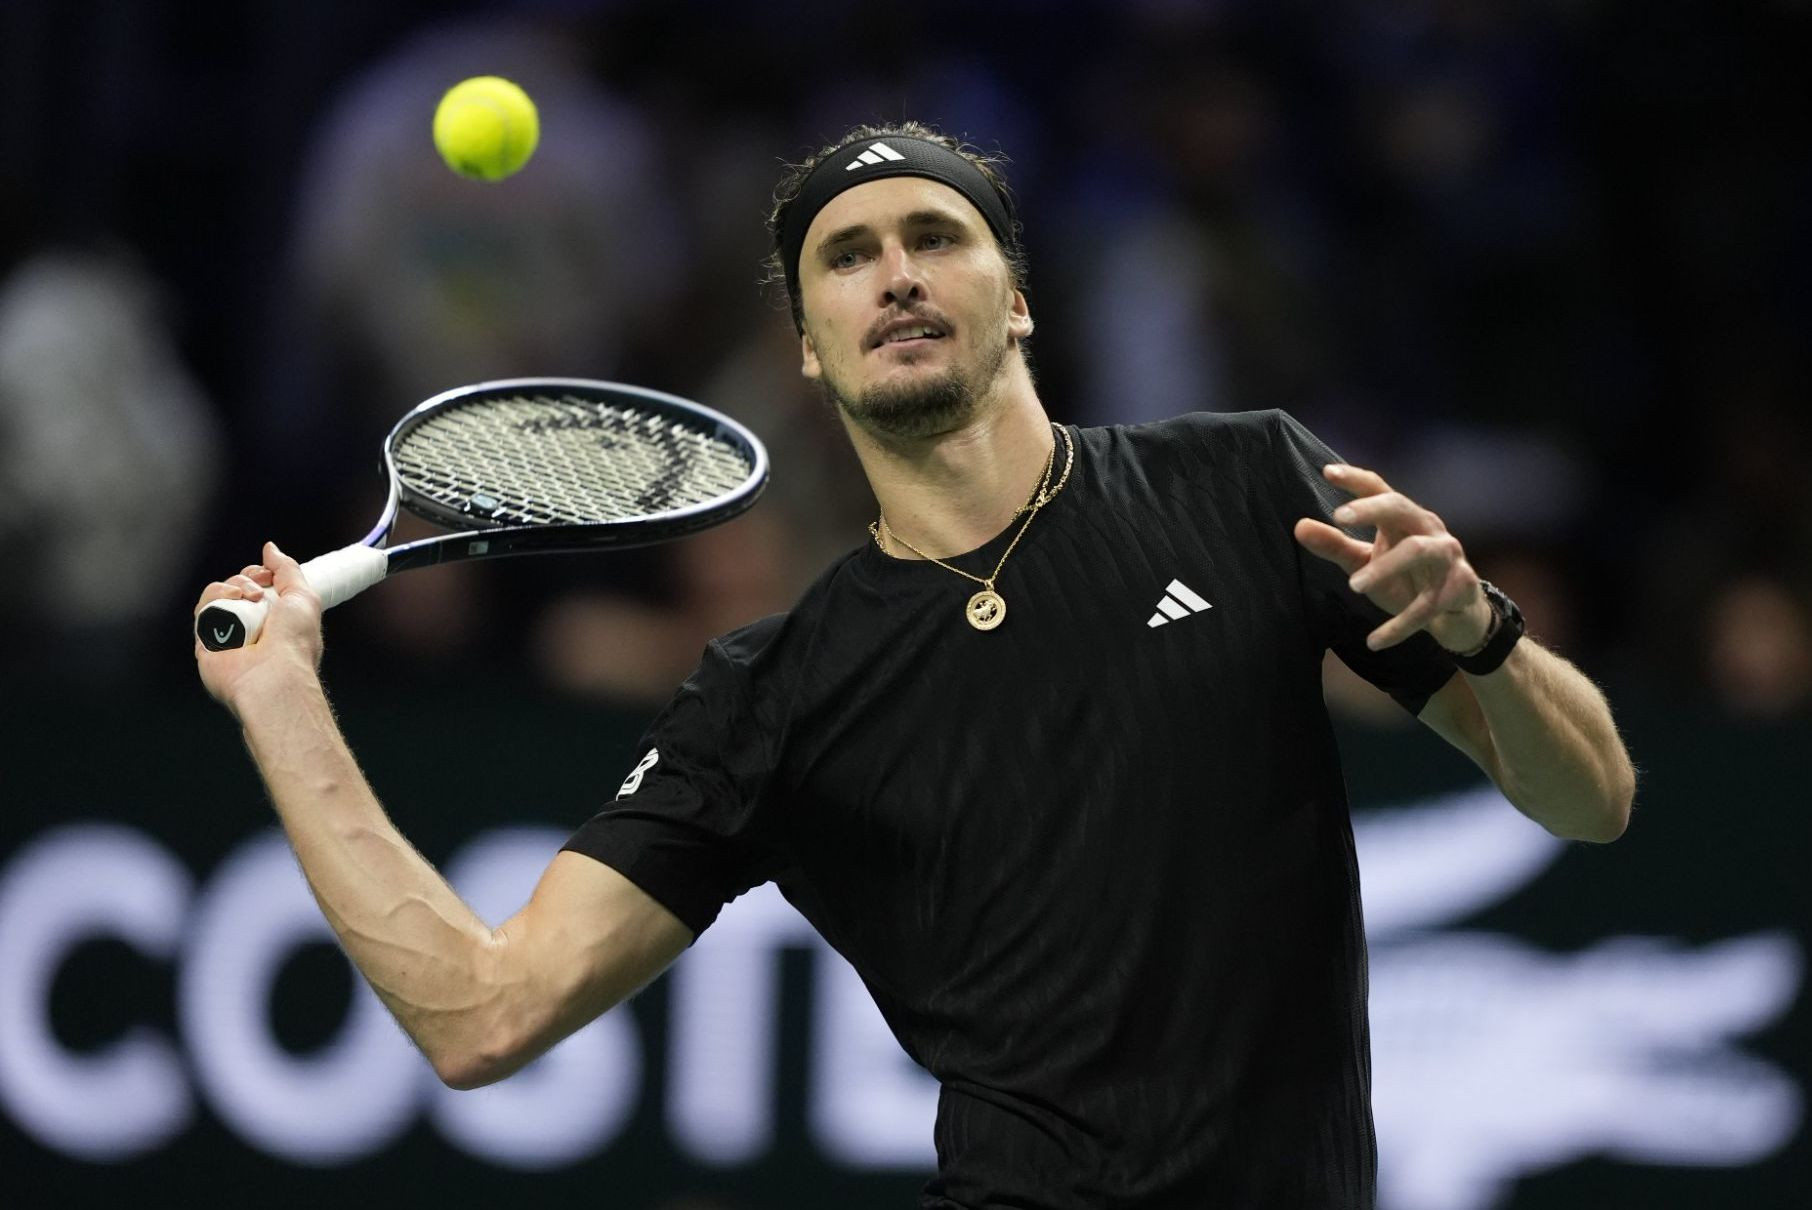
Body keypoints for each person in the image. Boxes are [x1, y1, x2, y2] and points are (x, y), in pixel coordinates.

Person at [194, 121, 1635, 1209]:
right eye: (847, 256)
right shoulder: (773, 692)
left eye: (935, 236)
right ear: (808, 350)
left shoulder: (1250, 484)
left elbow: (1594, 801)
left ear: (1018, 299)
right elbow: (483, 1013)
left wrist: (1485, 635)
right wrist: (283, 702)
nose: (894, 275)